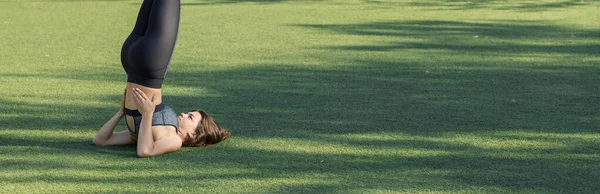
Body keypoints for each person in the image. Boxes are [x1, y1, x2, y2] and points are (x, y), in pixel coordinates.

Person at [93, 0, 231, 157]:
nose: (184, 114)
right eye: (189, 113)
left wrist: (126, 113)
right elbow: (103, 141)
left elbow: (141, 150)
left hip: (149, 61)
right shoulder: (141, 134)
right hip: (137, 59)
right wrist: (135, 114)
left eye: (190, 117)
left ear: (193, 134)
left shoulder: (175, 140)